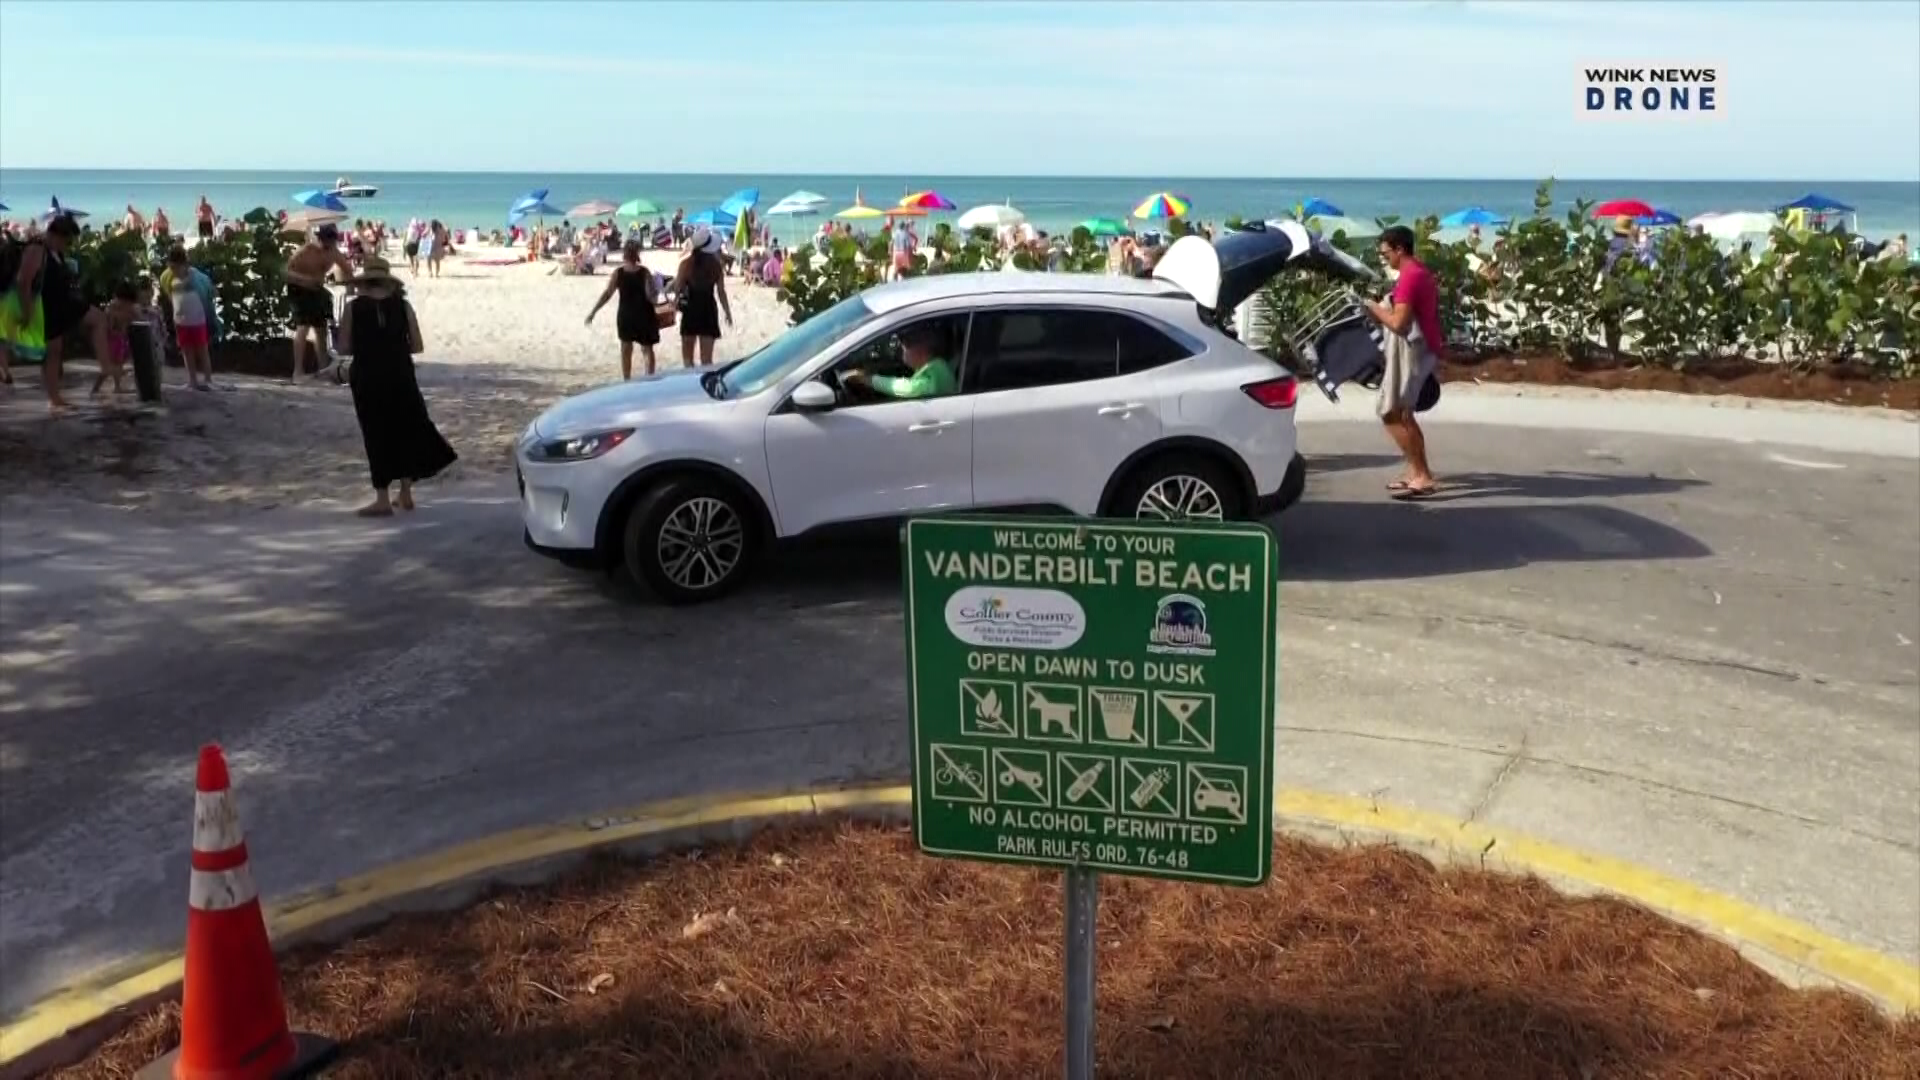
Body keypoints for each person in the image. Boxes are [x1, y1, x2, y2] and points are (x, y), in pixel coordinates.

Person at [337, 256, 457, 517]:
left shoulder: (354, 308)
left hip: (368, 376)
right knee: (406, 428)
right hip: (400, 374)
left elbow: (344, 347)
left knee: (375, 432)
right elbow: (417, 345)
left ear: (365, 281)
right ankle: (405, 493)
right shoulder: (403, 306)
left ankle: (382, 497)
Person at [1366, 225, 1442, 499]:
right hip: (1420, 349)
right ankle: (1416, 471)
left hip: (1416, 351)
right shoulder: (1416, 273)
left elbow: (1399, 323)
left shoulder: (1411, 277)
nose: (1385, 258)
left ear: (1400, 249)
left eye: (1386, 253)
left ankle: (1423, 475)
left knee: (1396, 413)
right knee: (1396, 413)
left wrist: (1375, 309)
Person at [7, 214, 110, 415]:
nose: (69, 245)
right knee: (55, 350)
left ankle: (56, 398)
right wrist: (27, 312)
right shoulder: (37, 249)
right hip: (45, 308)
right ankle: (56, 397)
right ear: (56, 235)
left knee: (56, 351)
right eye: (68, 240)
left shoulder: (54, 252)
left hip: (59, 306)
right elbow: (23, 282)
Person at [284, 222, 354, 382]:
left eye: (331, 239)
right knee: (303, 327)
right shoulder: (306, 250)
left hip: (317, 290)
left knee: (321, 330)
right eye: (324, 239)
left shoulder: (334, 252)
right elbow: (286, 273)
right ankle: (298, 371)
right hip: (298, 289)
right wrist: (305, 279)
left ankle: (323, 369)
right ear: (319, 238)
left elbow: (348, 271)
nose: (327, 243)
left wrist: (352, 286)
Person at [587, 240, 662, 380]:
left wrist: (594, 311)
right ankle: (649, 378)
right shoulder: (644, 272)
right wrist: (657, 291)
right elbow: (650, 297)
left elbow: (607, 294)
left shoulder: (618, 273)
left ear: (624, 255)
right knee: (647, 349)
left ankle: (627, 379)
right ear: (637, 254)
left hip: (626, 315)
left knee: (626, 349)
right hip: (644, 315)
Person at [161, 245, 224, 391]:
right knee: (186, 350)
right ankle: (192, 380)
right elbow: (171, 296)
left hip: (198, 320)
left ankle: (208, 379)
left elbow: (211, 291)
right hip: (181, 321)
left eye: (176, 268)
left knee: (202, 349)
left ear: (184, 264)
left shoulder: (197, 277)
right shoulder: (169, 277)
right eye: (171, 268)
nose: (174, 271)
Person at [843, 323, 956, 399]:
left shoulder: (934, 375)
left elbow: (908, 388)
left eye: (904, 347)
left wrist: (868, 380)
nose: (901, 351)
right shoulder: (937, 366)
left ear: (920, 351)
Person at [672, 227, 731, 366]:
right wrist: (727, 312)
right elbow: (721, 292)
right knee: (707, 361)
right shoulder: (716, 266)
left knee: (688, 360)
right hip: (708, 310)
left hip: (690, 310)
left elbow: (677, 289)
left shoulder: (686, 265)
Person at [92, 280, 138, 398]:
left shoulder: (128, 308)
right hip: (112, 339)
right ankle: (97, 387)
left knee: (119, 363)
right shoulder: (113, 307)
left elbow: (135, 317)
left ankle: (117, 386)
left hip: (121, 338)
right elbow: (108, 322)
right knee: (110, 366)